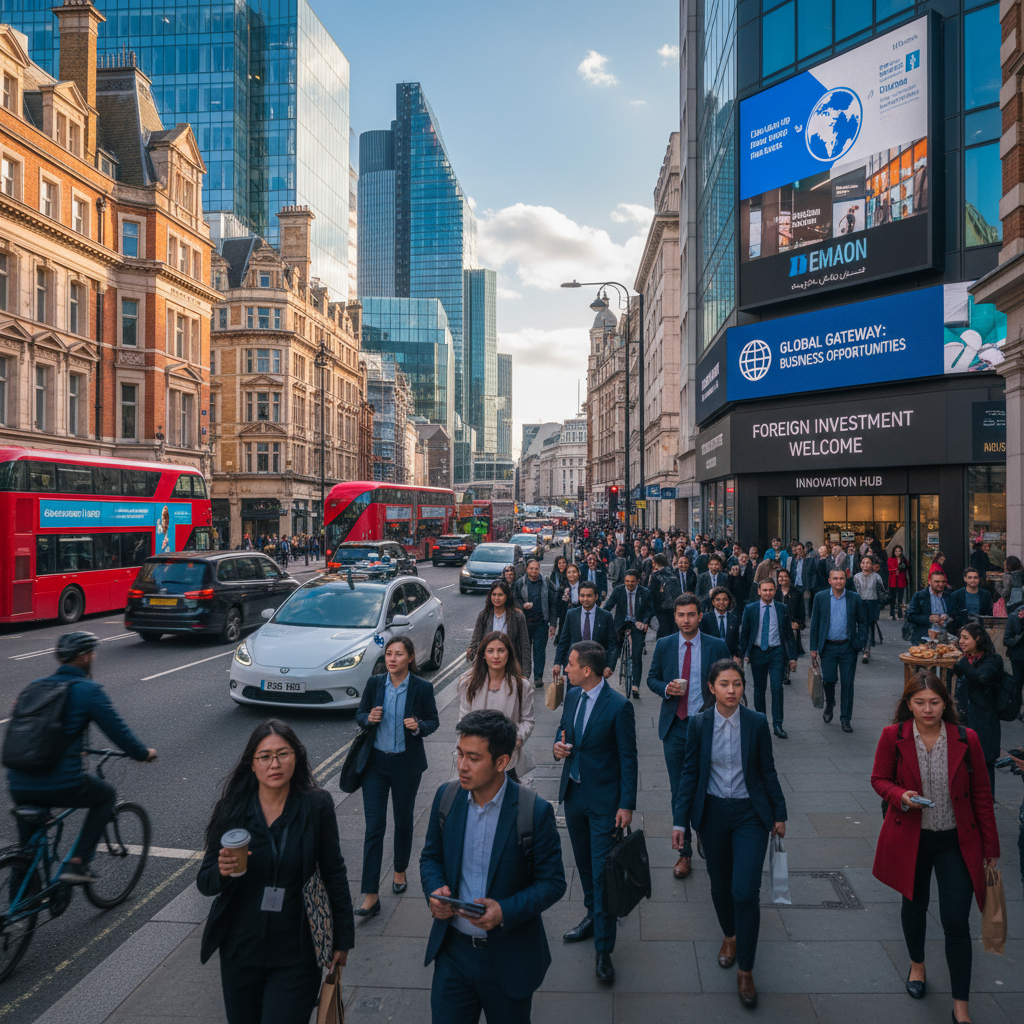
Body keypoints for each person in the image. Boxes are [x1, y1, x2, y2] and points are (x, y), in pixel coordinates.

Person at [197, 721, 353, 1024]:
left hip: (297, 951)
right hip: (240, 951)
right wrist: (221, 871)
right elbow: (205, 882)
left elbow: (334, 871)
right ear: (252, 765)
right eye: (265, 756)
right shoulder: (232, 811)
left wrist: (342, 938)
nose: (275, 764)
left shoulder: (316, 806)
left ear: (297, 757)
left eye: (283, 754)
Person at [421, 710, 565, 1024]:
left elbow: (553, 883)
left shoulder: (533, 811)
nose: (461, 765)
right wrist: (434, 890)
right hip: (453, 955)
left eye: (473, 758)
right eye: (459, 754)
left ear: (501, 762)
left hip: (508, 958)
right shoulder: (446, 798)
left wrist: (504, 910)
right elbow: (430, 857)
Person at [870, 672, 998, 1024]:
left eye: (935, 702)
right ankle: (917, 965)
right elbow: (879, 779)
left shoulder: (965, 738)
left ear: (946, 703)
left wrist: (991, 848)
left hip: (956, 840)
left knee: (956, 922)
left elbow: (983, 797)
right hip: (911, 838)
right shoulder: (892, 736)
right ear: (908, 704)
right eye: (920, 702)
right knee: (914, 906)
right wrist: (900, 796)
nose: (928, 709)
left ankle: (961, 1006)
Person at [672, 660, 787, 1008]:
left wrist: (779, 813)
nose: (732, 690)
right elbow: (689, 774)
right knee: (720, 886)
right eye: (724, 684)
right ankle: (730, 935)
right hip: (713, 814)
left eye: (737, 684)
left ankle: (746, 970)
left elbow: (767, 769)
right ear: (711, 687)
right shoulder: (699, 724)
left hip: (751, 815)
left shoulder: (755, 722)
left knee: (744, 892)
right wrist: (680, 822)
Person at [8, 632, 157, 883]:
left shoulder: (33, 687)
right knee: (106, 796)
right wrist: (143, 754)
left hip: (18, 782)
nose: (94, 657)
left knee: (27, 851)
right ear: (86, 656)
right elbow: (119, 733)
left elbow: (32, 733)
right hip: (61, 782)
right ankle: (78, 863)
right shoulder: (88, 690)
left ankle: (18, 910)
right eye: (93, 653)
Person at [554, 641, 638, 983]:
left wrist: (626, 804)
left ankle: (604, 950)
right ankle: (592, 917)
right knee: (586, 868)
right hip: (574, 796)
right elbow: (563, 737)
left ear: (586, 670)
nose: (566, 669)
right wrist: (558, 750)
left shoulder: (619, 707)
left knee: (604, 876)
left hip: (605, 804)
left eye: (570, 665)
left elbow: (628, 760)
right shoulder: (572, 696)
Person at [354, 636, 440, 916]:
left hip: (406, 764)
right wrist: (369, 719)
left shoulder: (422, 687)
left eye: (398, 654)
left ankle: (400, 869)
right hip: (375, 765)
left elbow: (433, 721)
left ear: (410, 658)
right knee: (374, 827)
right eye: (389, 654)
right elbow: (360, 713)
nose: (392, 659)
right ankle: (370, 894)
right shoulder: (374, 683)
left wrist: (418, 726)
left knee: (403, 821)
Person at [647, 594, 731, 878]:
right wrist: (666, 689)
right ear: (675, 617)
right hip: (675, 725)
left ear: (700, 616)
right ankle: (684, 853)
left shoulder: (716, 645)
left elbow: (729, 681)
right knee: (679, 788)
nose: (686, 620)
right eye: (681, 615)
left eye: (691, 615)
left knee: (707, 784)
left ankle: (704, 833)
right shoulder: (664, 644)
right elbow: (652, 678)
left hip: (706, 725)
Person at [457, 633, 535, 782]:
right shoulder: (469, 684)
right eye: (490, 651)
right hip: (476, 758)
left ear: (509, 654)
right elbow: (463, 720)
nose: (496, 656)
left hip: (507, 758)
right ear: (483, 655)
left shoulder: (521, 686)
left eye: (501, 650)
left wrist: (516, 738)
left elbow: (528, 721)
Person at [809, 568, 867, 733]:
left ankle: (845, 718)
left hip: (848, 647)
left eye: (841, 578)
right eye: (835, 578)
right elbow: (815, 624)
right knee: (829, 680)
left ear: (846, 579)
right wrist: (813, 648)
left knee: (848, 683)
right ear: (829, 580)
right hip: (828, 647)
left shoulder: (854, 598)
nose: (839, 581)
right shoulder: (820, 597)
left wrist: (860, 642)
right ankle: (830, 703)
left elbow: (863, 621)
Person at [738, 578, 796, 739]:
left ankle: (778, 724)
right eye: (764, 590)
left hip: (777, 651)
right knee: (759, 689)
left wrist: (792, 657)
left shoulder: (782, 608)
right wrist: (741, 656)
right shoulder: (750, 609)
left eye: (771, 590)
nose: (768, 593)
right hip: (758, 652)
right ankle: (761, 723)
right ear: (759, 591)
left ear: (775, 590)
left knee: (777, 687)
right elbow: (744, 635)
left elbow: (789, 635)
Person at [952, 623, 1004, 794]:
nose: (961, 641)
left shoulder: (992, 660)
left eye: (966, 638)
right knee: (964, 761)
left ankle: (987, 802)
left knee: (985, 761)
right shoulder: (967, 659)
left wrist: (962, 662)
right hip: (965, 718)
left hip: (984, 721)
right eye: (961, 637)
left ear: (978, 639)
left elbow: (981, 679)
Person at [553, 581, 619, 680]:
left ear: (596, 597)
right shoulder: (572, 614)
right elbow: (563, 642)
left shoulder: (605, 616)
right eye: (582, 595)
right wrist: (557, 663)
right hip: (575, 667)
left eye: (589, 596)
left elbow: (613, 645)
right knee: (574, 695)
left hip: (596, 668)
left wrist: (610, 666)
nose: (585, 599)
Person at [603, 569, 653, 698]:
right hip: (621, 623)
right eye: (627, 581)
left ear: (637, 581)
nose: (629, 584)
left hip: (638, 624)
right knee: (615, 648)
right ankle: (608, 671)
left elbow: (650, 609)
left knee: (637, 653)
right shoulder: (618, 591)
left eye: (632, 581)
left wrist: (645, 622)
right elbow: (608, 606)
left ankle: (635, 685)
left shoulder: (645, 593)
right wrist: (600, 618)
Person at [467, 581, 531, 678]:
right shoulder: (483, 616)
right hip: (489, 668)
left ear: (507, 596)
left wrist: (525, 673)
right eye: (494, 594)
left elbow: (525, 645)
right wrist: (471, 652)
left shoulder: (517, 617)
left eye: (500, 595)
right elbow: (475, 640)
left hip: (511, 668)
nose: (496, 598)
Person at [513, 560, 557, 689]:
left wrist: (553, 624)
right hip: (524, 623)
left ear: (539, 569)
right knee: (524, 651)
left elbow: (553, 603)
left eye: (536, 569)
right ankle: (524, 676)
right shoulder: (520, 583)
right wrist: (522, 606)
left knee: (539, 651)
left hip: (541, 623)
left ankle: (538, 677)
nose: (533, 571)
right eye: (531, 569)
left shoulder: (546, 582)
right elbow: (514, 600)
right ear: (527, 569)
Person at [853, 556, 886, 662]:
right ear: (860, 564)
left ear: (872, 565)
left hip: (872, 603)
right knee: (863, 626)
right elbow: (855, 592)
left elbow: (882, 591)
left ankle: (866, 649)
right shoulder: (856, 577)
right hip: (861, 603)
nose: (865, 565)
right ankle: (864, 647)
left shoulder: (877, 577)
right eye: (863, 562)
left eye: (868, 563)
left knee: (870, 626)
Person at [775, 568, 805, 679]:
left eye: (785, 576)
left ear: (789, 578)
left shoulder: (796, 593)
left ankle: (787, 670)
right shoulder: (774, 592)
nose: (782, 579)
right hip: (777, 624)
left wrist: (798, 623)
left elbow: (801, 611)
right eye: (780, 577)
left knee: (789, 648)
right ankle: (781, 670)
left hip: (791, 625)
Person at [906, 571, 950, 643]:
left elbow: (955, 614)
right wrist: (928, 618)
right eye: (937, 582)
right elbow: (910, 617)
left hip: (944, 638)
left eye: (943, 582)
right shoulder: (919, 596)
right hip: (924, 637)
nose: (941, 584)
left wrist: (947, 618)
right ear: (930, 582)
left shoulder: (949, 596)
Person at [700, 586, 742, 660]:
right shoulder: (705, 618)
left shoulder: (734, 619)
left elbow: (737, 641)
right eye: (718, 599)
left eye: (724, 599)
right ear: (713, 602)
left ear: (729, 601)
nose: (721, 602)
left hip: (728, 659)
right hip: (710, 658)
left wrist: (737, 656)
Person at [948, 568, 994, 633]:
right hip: (961, 629)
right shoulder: (956, 595)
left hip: (980, 630)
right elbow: (953, 614)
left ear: (979, 579)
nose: (973, 580)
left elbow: (989, 613)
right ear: (965, 579)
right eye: (970, 577)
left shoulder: (986, 595)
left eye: (975, 578)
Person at [888, 546, 911, 620]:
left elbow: (908, 568)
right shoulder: (891, 559)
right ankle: (892, 613)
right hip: (893, 580)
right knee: (892, 597)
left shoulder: (904, 560)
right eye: (896, 551)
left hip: (901, 580)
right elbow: (889, 568)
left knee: (900, 598)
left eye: (899, 551)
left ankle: (899, 612)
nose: (898, 553)